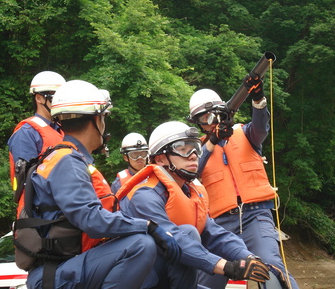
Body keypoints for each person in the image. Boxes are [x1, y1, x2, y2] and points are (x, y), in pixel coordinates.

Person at [15, 80, 181, 289]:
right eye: (103, 117)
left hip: (64, 268)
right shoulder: (68, 162)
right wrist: (148, 226)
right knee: (141, 245)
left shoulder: (61, 158)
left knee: (152, 256)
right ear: (97, 120)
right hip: (54, 274)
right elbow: (92, 220)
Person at [116, 121, 271, 289]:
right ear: (160, 159)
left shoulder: (189, 192)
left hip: (165, 277)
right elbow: (175, 238)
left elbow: (214, 233)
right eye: (183, 149)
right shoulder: (144, 195)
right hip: (139, 281)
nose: (193, 155)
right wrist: (226, 267)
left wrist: (248, 258)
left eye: (196, 148)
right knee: (189, 232)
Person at [186, 73, 299, 289]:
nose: (210, 122)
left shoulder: (244, 132)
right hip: (219, 224)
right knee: (206, 276)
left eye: (213, 115)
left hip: (255, 215)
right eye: (203, 119)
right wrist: (213, 140)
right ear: (198, 123)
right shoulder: (197, 148)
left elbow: (260, 129)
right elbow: (193, 171)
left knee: (271, 265)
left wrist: (258, 100)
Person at [8, 71, 66, 191]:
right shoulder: (26, 133)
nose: (61, 103)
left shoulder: (62, 130)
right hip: (39, 208)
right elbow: (27, 180)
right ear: (39, 98)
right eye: (55, 98)